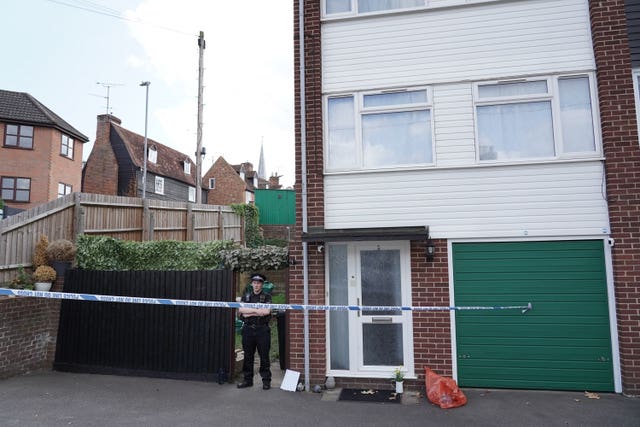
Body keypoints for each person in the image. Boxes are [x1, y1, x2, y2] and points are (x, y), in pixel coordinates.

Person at [237, 273, 272, 390]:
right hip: (248, 329)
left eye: (259, 283)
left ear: (262, 284)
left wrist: (249, 312)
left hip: (262, 329)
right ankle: (247, 380)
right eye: (255, 283)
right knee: (248, 356)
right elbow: (241, 310)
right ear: (252, 284)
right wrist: (257, 311)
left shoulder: (266, 296)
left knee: (264, 356)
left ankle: (266, 381)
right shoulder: (246, 296)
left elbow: (266, 312)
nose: (256, 285)